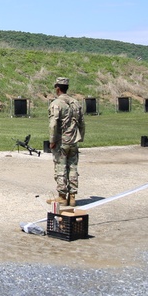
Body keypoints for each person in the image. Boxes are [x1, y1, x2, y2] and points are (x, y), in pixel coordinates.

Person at [47, 76, 85, 207]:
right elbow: (82, 123)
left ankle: (62, 196)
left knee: (61, 167)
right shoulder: (76, 103)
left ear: (57, 88)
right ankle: (72, 197)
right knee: (73, 167)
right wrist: (81, 137)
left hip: (61, 141)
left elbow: (53, 124)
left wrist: (52, 140)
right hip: (74, 140)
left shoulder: (56, 104)